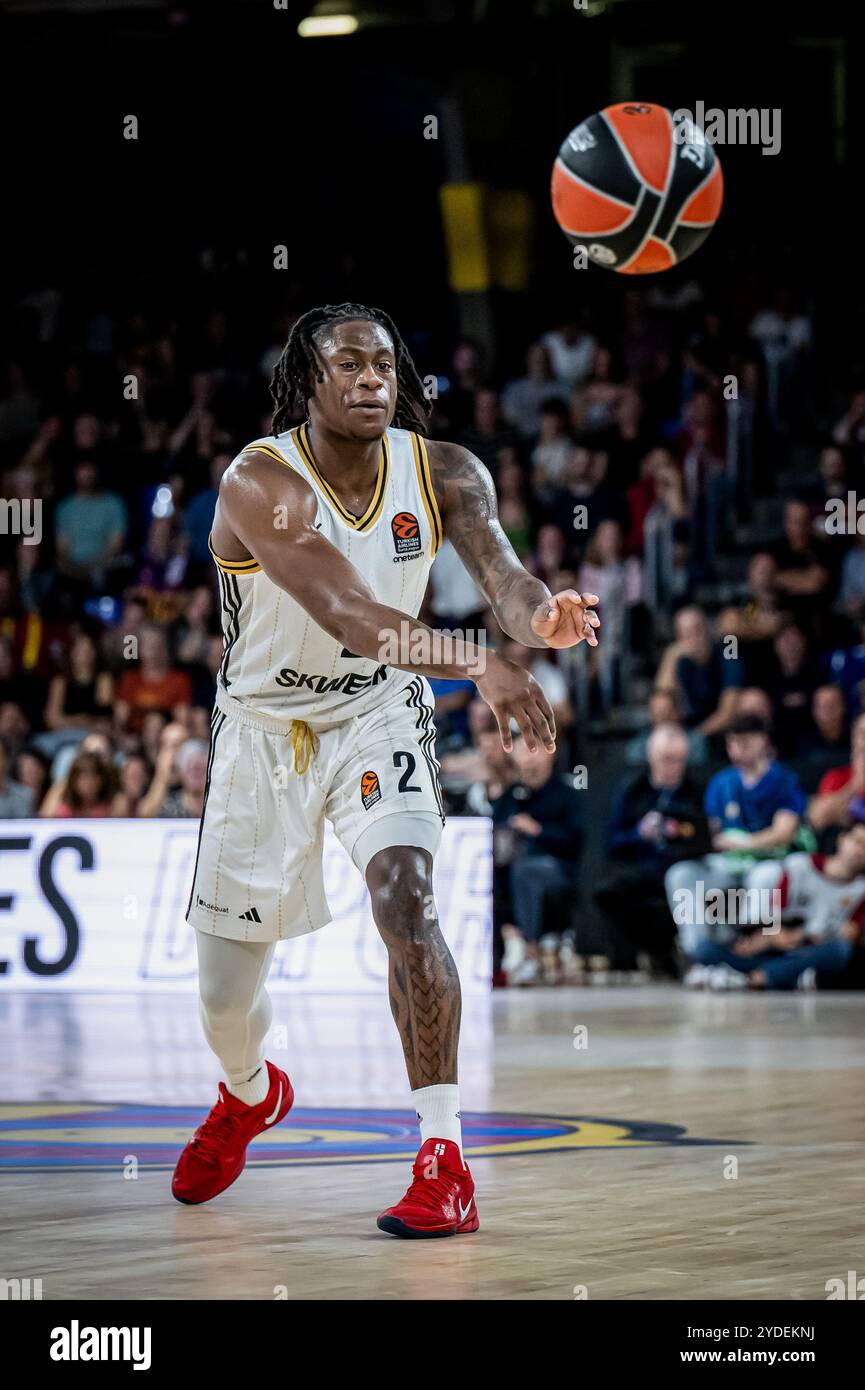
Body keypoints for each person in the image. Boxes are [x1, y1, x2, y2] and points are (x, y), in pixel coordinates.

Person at [171, 302, 601, 1239]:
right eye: (347, 365)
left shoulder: (444, 470)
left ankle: (443, 1160)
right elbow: (353, 617)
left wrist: (538, 621)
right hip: (262, 728)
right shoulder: (260, 480)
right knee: (222, 999)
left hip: (376, 711)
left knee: (407, 899)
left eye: (384, 365)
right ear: (308, 383)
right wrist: (480, 662)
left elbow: (503, 573)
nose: (371, 379)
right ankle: (249, 1094)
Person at [665, 713, 807, 962]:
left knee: (764, 876)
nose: (736, 750)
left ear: (762, 741)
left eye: (744, 742)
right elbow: (713, 831)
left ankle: (751, 954)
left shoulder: (784, 780)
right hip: (729, 863)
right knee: (681, 874)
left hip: (769, 861)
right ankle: (698, 952)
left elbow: (784, 832)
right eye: (732, 743)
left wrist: (745, 842)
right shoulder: (722, 783)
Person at [688, 824, 865, 990]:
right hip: (776, 946)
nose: (860, 851)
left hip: (811, 951)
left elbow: (848, 937)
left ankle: (754, 977)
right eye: (857, 842)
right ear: (842, 839)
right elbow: (775, 911)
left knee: (839, 951)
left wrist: (801, 937)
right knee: (705, 949)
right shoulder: (800, 864)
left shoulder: (861, 890)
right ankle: (783, 976)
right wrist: (767, 938)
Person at [596, 724, 710, 979]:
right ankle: (649, 954)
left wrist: (680, 834)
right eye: (665, 759)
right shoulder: (633, 790)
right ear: (651, 758)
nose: (671, 766)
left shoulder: (697, 792)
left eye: (677, 760)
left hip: (682, 867)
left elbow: (706, 840)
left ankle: (686, 955)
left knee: (683, 882)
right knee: (608, 892)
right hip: (644, 868)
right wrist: (640, 833)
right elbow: (612, 842)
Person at [490, 734, 584, 985]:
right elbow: (492, 828)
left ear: (549, 754)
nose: (528, 759)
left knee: (526, 871)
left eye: (534, 751)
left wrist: (537, 830)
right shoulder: (511, 796)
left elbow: (575, 839)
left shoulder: (566, 794)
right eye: (522, 752)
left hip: (557, 866)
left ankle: (529, 951)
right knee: (490, 874)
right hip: (510, 870)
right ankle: (493, 961)